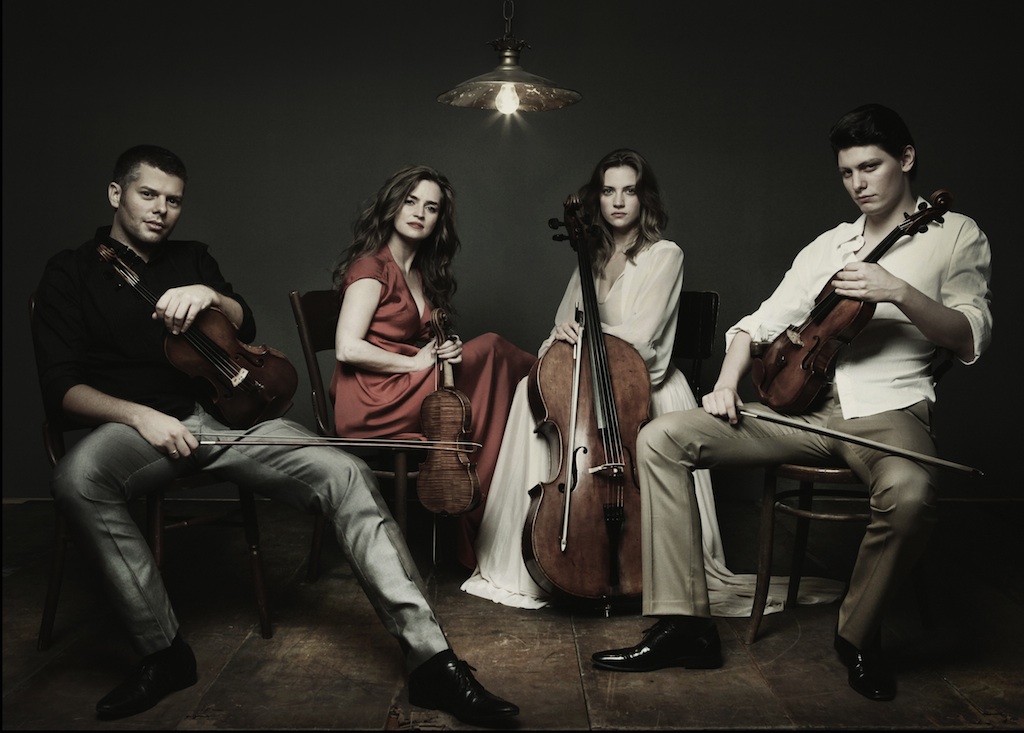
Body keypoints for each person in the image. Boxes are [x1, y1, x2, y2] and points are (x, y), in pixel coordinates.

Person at [31, 145, 519, 725]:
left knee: (346, 472)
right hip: (135, 429)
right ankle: (163, 653)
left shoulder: (192, 258)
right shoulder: (69, 273)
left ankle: (431, 661)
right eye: (148, 195)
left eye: (173, 200)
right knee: (77, 480)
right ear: (117, 194)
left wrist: (211, 296)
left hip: (228, 420)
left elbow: (244, 321)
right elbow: (61, 389)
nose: (161, 209)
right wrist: (140, 417)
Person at [590, 105, 993, 702]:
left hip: (888, 414)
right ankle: (685, 625)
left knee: (910, 494)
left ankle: (857, 635)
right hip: (800, 412)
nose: (858, 183)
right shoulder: (830, 245)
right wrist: (727, 383)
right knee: (661, 437)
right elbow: (755, 325)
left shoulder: (956, 234)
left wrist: (900, 292)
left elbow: (969, 336)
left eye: (871, 167)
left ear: (906, 159)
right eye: (847, 172)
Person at [462, 149, 840, 614]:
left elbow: (643, 341)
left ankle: (638, 565)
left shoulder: (665, 255)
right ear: (597, 199)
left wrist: (589, 331)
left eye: (629, 190)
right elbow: (558, 333)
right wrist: (561, 335)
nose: (618, 201)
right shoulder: (588, 257)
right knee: (530, 390)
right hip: (590, 383)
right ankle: (544, 553)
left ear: (645, 198)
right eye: (608, 191)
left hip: (644, 387)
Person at [330, 165, 536, 569]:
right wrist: (416, 361)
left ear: (439, 218)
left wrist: (445, 348)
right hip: (373, 399)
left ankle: (481, 513)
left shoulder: (420, 271)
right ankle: (556, 373)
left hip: (405, 386)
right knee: (492, 351)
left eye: (431, 207)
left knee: (482, 380)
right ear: (392, 205)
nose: (419, 213)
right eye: (410, 201)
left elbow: (419, 341)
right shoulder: (371, 267)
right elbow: (347, 348)